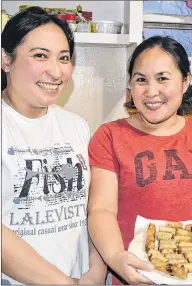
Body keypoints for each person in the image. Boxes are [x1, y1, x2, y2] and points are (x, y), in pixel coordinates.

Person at [87, 35, 192, 285]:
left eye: (163, 78)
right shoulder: (109, 136)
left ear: (185, 81)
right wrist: (115, 257)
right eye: (140, 80)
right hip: (136, 272)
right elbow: (101, 209)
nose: (151, 91)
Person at [1, 7, 107, 284]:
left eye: (64, 58)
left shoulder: (77, 126)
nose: (56, 71)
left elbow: (94, 207)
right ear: (6, 59)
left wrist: (96, 271)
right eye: (40, 56)